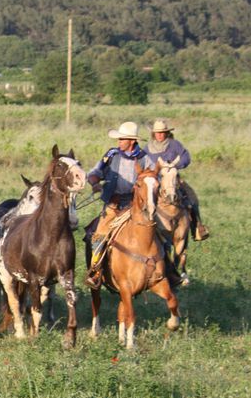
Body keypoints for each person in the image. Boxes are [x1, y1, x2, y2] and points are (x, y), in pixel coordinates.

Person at [83, 121, 153, 289]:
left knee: (159, 233)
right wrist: (94, 183)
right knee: (99, 234)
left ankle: (167, 271)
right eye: (119, 139)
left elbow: (152, 179)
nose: (119, 142)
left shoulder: (144, 158)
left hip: (135, 206)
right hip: (113, 204)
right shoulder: (112, 154)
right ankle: (96, 270)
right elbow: (95, 172)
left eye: (122, 139)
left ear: (131, 141)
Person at [144, 119, 209, 241]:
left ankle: (197, 227)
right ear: (153, 133)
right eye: (158, 132)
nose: (160, 135)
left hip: (173, 179)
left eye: (163, 132)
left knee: (191, 196)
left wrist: (175, 166)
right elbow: (142, 163)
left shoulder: (175, 144)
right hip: (155, 180)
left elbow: (186, 157)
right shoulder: (147, 148)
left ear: (167, 133)